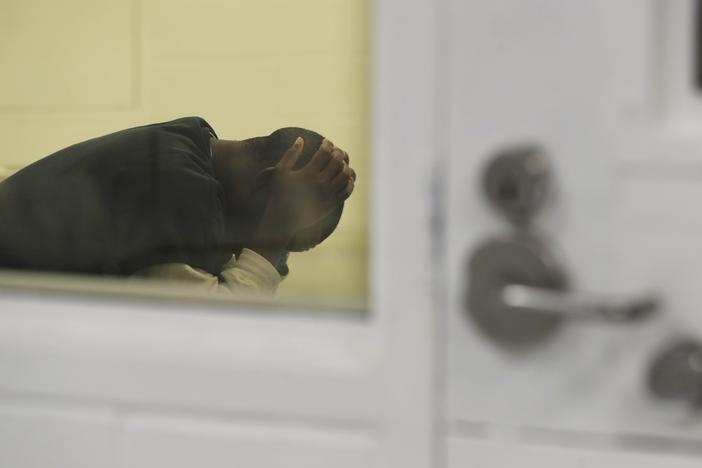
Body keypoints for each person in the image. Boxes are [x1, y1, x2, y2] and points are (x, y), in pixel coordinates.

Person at [0, 116, 356, 295]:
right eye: (282, 233)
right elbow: (209, 338)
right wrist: (273, 235)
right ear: (265, 184)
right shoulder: (181, 190)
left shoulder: (190, 145)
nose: (243, 251)